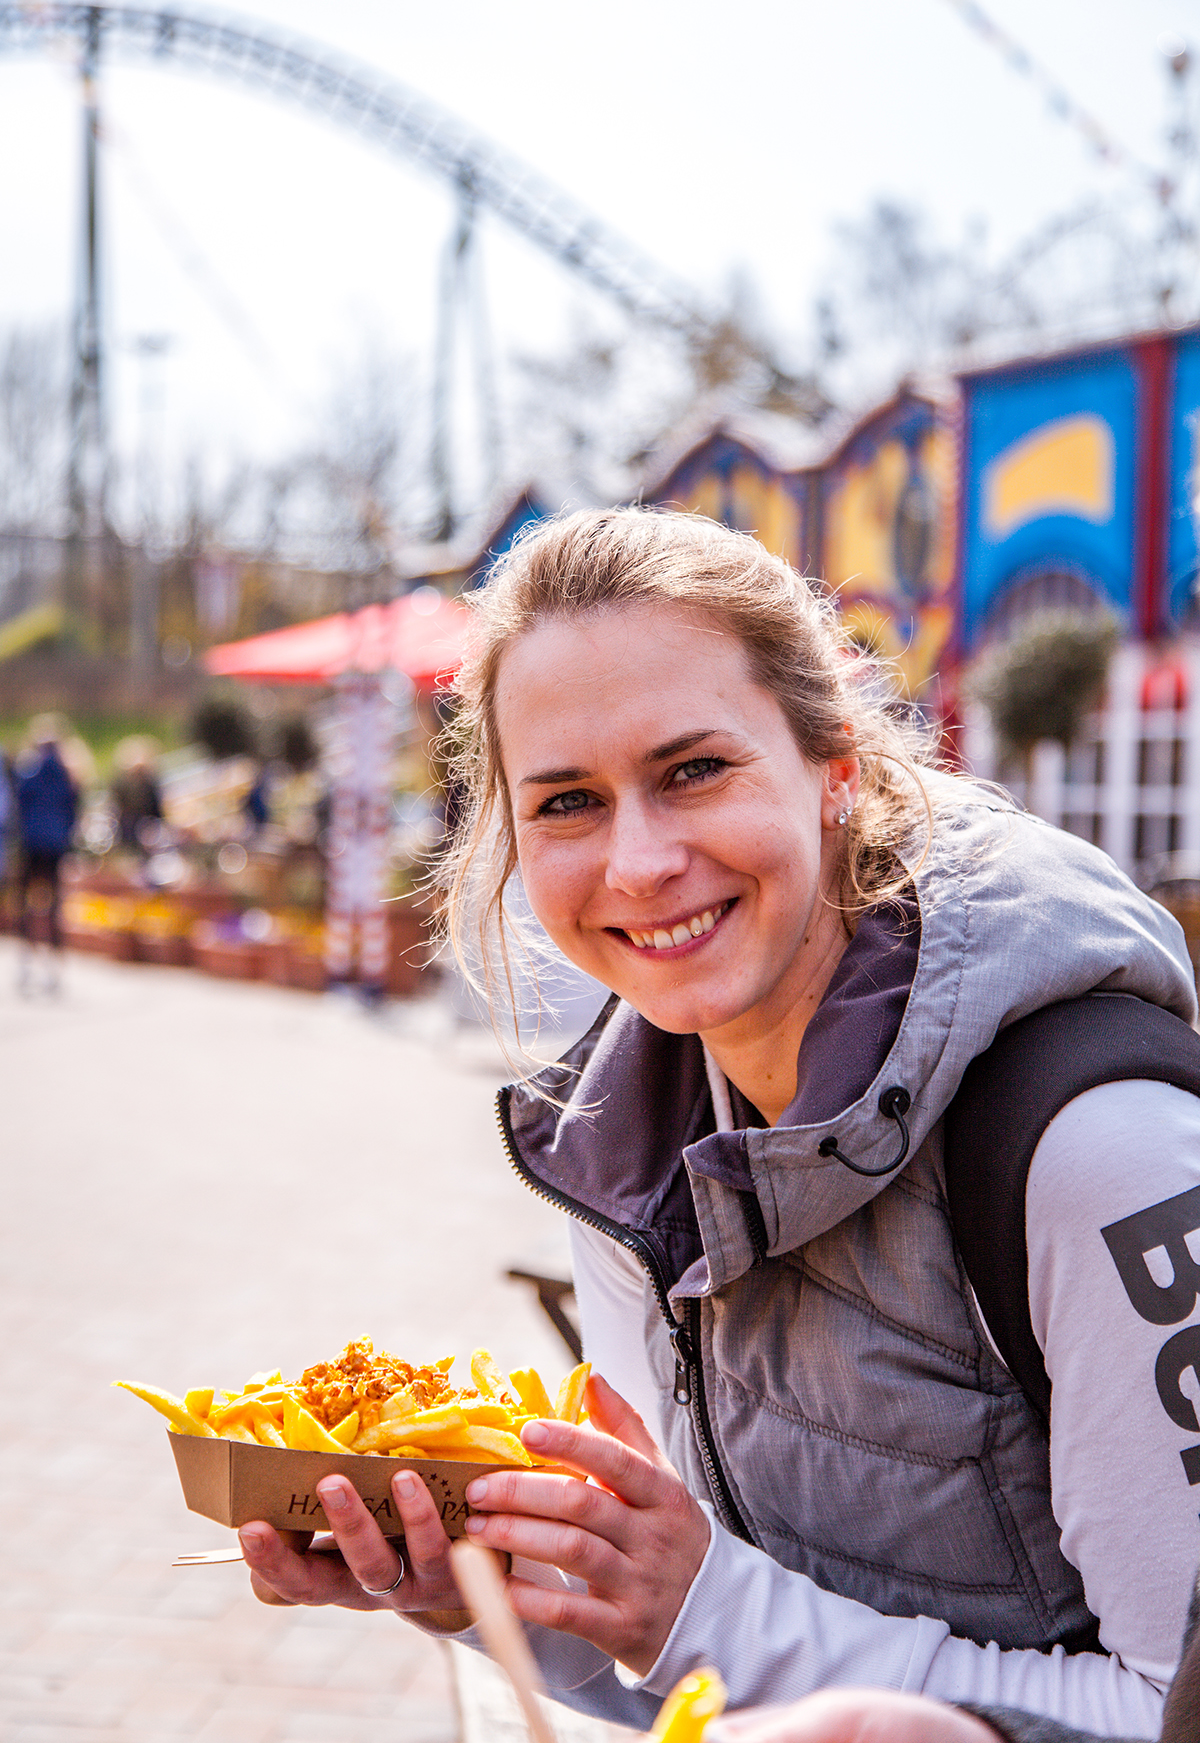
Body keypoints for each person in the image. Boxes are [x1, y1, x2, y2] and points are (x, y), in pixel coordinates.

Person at [240, 510, 1200, 1740]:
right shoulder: (620, 1152)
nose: (638, 863)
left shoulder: (1094, 1152)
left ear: (835, 769)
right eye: (569, 803)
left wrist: (711, 1614)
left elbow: (1169, 1706)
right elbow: (685, 1654)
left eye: (694, 770)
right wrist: (472, 1585)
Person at [14, 715, 79, 993]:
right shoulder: (67, 772)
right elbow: (74, 807)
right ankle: (53, 964)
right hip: (55, 845)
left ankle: (28, 960)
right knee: (54, 906)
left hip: (32, 843)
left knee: (26, 904)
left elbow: (19, 802)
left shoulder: (30, 769)